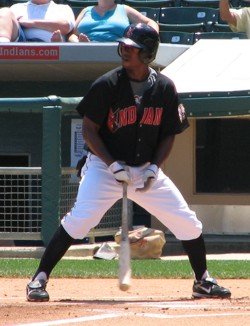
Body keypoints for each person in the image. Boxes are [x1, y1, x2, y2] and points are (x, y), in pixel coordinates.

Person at [26, 23, 231, 302]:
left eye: (131, 48)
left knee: (188, 223)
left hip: (146, 169)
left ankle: (202, 280)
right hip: (104, 166)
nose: (124, 51)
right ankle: (38, 279)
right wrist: (112, 165)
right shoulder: (107, 84)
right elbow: (89, 129)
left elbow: (169, 133)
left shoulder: (165, 88)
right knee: (80, 220)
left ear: (147, 53)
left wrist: (154, 168)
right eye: (123, 46)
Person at [68, 0, 159, 42]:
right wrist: (78, 43)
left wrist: (151, 38)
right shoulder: (86, 10)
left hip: (115, 51)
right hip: (85, 51)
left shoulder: (125, 9)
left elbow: (150, 23)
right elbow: (72, 35)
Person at [0, 0, 75, 42]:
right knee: (5, 12)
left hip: (49, 45)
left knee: (57, 39)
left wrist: (30, 23)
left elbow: (65, 26)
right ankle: (3, 47)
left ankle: (56, 45)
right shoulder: (16, 7)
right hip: (20, 44)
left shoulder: (63, 8)